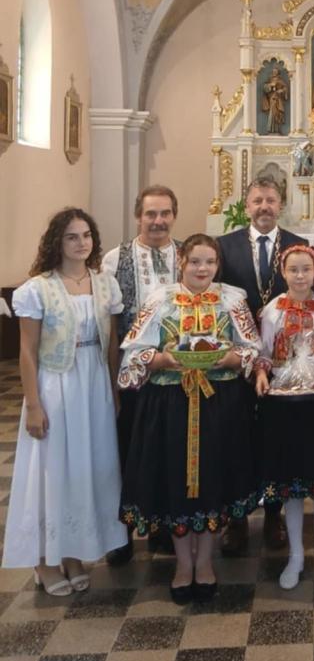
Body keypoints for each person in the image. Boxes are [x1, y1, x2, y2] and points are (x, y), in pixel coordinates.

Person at [118, 234, 261, 604]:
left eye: (210, 262)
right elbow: (134, 352)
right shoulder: (160, 299)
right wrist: (164, 360)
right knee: (176, 482)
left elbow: (251, 350)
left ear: (218, 264)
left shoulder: (233, 299)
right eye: (195, 261)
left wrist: (229, 359)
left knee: (213, 478)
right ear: (182, 260)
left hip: (220, 404)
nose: (202, 269)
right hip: (170, 403)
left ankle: (206, 562)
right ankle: (183, 565)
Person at [3, 209, 126, 594]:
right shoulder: (38, 288)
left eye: (86, 235)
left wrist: (113, 389)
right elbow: (27, 351)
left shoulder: (105, 284)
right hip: (55, 384)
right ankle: (44, 559)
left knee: (88, 466)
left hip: (94, 383)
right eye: (72, 236)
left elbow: (111, 343)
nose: (81, 243)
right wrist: (33, 404)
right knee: (53, 468)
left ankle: (74, 553)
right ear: (57, 241)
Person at [218, 176, 307, 553]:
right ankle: (237, 519)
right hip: (236, 358)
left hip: (281, 357)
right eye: (257, 200)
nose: (264, 207)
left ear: (280, 204)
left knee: (277, 437)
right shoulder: (224, 246)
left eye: (270, 200)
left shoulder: (297, 244)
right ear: (247, 205)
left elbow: (304, 299)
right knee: (236, 437)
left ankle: (274, 516)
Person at [256, 245, 314, 590]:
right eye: (293, 270)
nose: (299, 276)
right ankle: (295, 554)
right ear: (284, 272)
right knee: (291, 484)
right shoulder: (272, 310)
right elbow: (263, 351)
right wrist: (262, 373)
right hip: (283, 402)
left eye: (305, 269)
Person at [102, 184, 181, 565]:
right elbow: (107, 323)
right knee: (127, 451)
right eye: (151, 213)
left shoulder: (186, 255)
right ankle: (122, 532)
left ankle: (163, 526)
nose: (158, 221)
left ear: (174, 216)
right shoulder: (114, 259)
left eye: (165, 213)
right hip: (131, 374)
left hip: (176, 375)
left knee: (167, 451)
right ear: (138, 216)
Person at [262, 67, 288, 135]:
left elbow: (285, 89)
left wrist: (281, 91)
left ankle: (277, 129)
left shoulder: (280, 80)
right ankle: (271, 129)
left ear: (278, 73)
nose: (274, 73)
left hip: (278, 99)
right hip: (272, 98)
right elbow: (265, 88)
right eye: (273, 71)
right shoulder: (270, 80)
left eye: (275, 72)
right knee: (272, 113)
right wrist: (270, 85)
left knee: (277, 114)